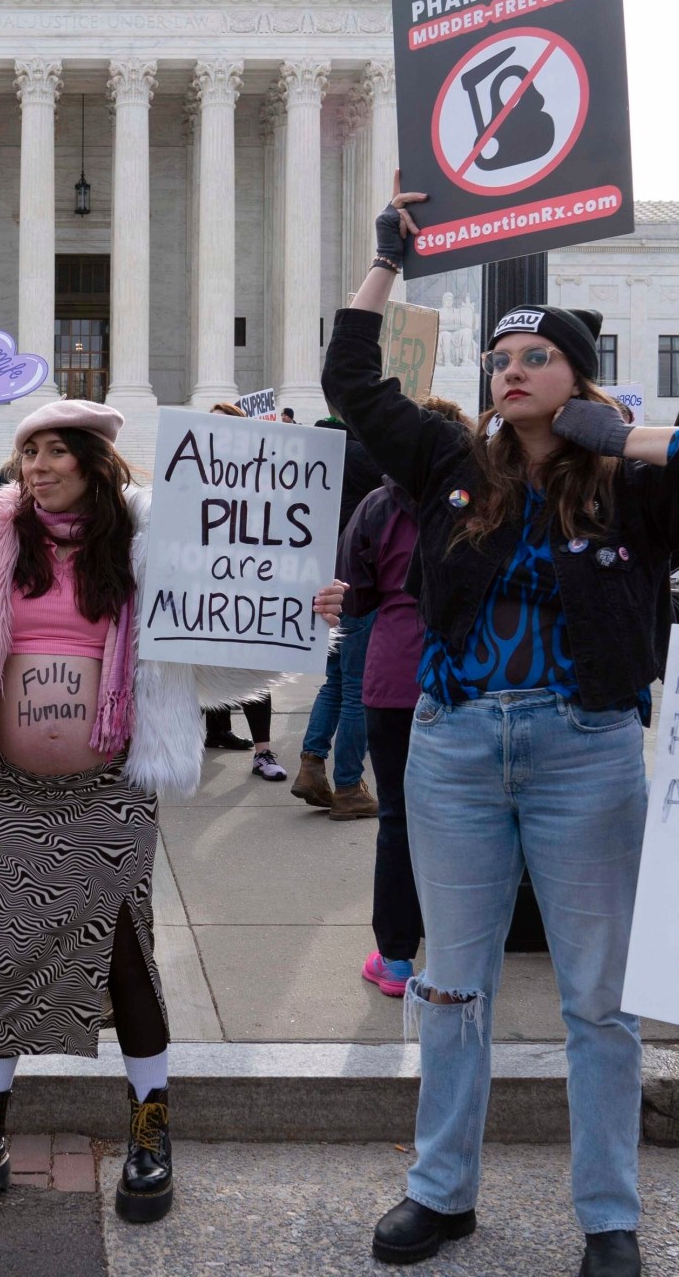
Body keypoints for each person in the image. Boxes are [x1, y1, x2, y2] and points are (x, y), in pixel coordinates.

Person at [326, 183, 679, 1274]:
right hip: (456, 746)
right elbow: (351, 379)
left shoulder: (632, 486)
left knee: (599, 998)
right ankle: (441, 1189)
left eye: (535, 356)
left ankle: (609, 1214)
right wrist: (390, 257)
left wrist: (628, 434)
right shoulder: (448, 469)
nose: (510, 371)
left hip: (586, 750)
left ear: (578, 377)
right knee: (451, 981)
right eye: (499, 361)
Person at [0, 399, 344, 1226]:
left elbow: (213, 643)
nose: (37, 469)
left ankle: (151, 1120)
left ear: (95, 463)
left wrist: (294, 616)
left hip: (110, 792)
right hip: (18, 794)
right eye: (28, 456)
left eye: (55, 454)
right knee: (9, 951)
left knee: (127, 951)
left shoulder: (144, 545)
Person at [341, 396, 470, 1013]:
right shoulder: (483, 499)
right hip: (468, 674)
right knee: (471, 822)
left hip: (394, 676)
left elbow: (356, 595)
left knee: (398, 817)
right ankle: (457, 953)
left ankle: (396, 957)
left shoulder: (379, 506)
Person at [294, 412, 389, 817]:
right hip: (360, 588)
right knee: (355, 691)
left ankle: (312, 765)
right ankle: (349, 785)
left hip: (325, 586)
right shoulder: (367, 461)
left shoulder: (311, 467)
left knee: (334, 683)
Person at [199, 401, 289, 781]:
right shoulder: (191, 471)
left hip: (249, 581)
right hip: (203, 580)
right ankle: (214, 732)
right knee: (204, 663)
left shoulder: (261, 477)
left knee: (252, 666)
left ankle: (263, 752)